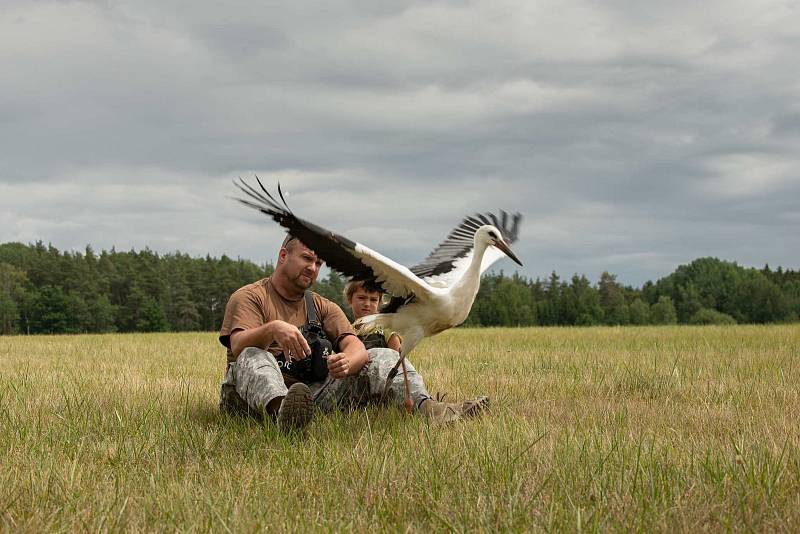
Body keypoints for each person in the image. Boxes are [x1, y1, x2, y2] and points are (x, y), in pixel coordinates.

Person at [218, 233, 489, 433]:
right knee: (255, 354)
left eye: (318, 263)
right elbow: (239, 346)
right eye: (306, 258)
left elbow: (356, 347)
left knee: (381, 353)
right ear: (283, 256)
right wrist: (274, 329)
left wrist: (347, 360)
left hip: (310, 396)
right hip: (248, 400)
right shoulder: (250, 297)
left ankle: (428, 408)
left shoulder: (323, 306)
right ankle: (282, 414)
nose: (312, 268)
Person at [344, 280, 401, 351]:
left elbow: (399, 359)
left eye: (373, 300)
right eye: (361, 298)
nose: (367, 304)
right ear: (350, 299)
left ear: (379, 303)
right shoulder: (346, 332)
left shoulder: (386, 329)